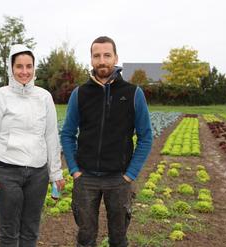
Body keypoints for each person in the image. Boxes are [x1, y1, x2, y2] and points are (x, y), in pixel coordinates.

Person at [61, 36, 153, 247]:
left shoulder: (133, 93)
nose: (102, 61)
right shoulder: (79, 94)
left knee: (119, 239)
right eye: (97, 56)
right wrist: (74, 169)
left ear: (116, 58)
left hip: (119, 180)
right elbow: (67, 133)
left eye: (107, 55)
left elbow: (146, 137)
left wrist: (130, 174)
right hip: (85, 179)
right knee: (85, 238)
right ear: (91, 59)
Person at [0, 44, 65, 247]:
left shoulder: (44, 97)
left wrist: (56, 173)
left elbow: (51, 136)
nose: (24, 72)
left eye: (29, 66)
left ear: (34, 68)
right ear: (11, 68)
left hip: (37, 174)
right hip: (7, 173)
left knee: (31, 229)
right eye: (19, 66)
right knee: (8, 232)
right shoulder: (0, 96)